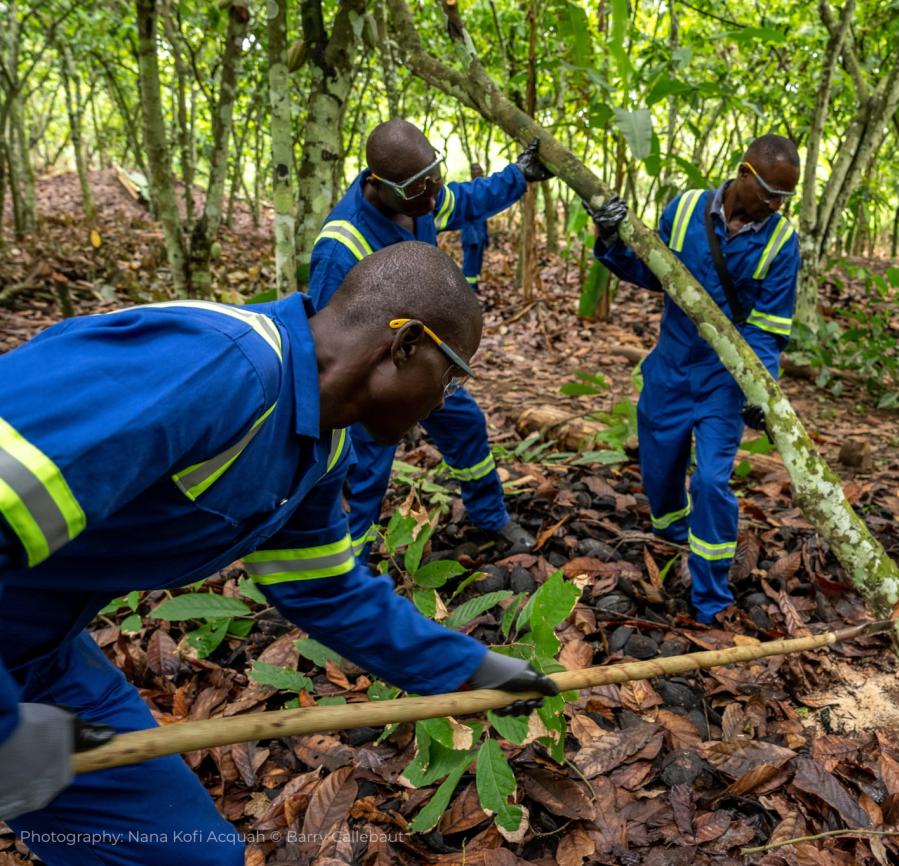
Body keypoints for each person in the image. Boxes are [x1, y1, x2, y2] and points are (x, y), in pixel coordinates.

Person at [0, 242, 557, 864]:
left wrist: (475, 670)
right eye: (452, 374)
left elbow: (323, 589)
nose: (448, 400)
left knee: (190, 854)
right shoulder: (211, 373)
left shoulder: (316, 446)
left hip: (40, 653)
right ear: (405, 347)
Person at [308, 120, 554, 560]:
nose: (432, 196)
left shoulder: (419, 199)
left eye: (434, 181)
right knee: (366, 473)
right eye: (419, 189)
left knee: (466, 425)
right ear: (379, 185)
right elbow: (327, 345)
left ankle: (489, 516)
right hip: (373, 380)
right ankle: (349, 570)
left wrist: (519, 175)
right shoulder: (340, 245)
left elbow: (468, 200)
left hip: (428, 359)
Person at [584, 135, 800, 625]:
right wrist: (610, 236)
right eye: (769, 193)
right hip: (671, 366)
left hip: (724, 379)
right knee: (659, 472)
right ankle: (673, 534)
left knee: (710, 481)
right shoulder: (683, 210)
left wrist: (757, 389)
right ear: (744, 173)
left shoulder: (782, 242)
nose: (776, 206)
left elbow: (768, 327)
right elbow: (650, 272)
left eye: (786, 198)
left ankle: (711, 597)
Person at [460, 162, 490, 290]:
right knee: (469, 265)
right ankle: (468, 290)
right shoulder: (467, 191)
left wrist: (486, 237)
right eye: (476, 171)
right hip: (471, 236)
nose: (479, 173)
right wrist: (472, 237)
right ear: (472, 173)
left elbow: (484, 218)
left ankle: (474, 288)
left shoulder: (483, 191)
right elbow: (464, 215)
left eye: (480, 171)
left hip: (481, 234)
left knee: (477, 264)